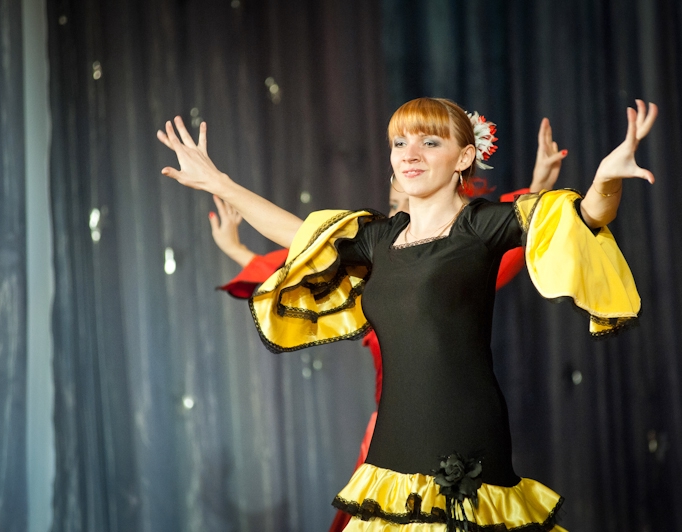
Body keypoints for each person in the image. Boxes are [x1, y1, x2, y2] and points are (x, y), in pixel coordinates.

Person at [158, 97, 656, 531]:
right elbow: (298, 233)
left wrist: (606, 180)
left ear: (464, 157)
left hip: (462, 434)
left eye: (430, 143)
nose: (410, 154)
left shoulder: (482, 225)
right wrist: (217, 181)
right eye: (400, 143)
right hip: (391, 444)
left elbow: (585, 216)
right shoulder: (378, 237)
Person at [207, 122, 566, 531]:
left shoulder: (463, 251)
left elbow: (521, 237)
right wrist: (233, 232)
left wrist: (539, 187)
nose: (404, 210)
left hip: (453, 428)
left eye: (427, 145)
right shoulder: (379, 247)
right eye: (397, 203)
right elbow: (305, 254)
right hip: (392, 434)